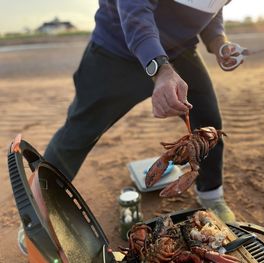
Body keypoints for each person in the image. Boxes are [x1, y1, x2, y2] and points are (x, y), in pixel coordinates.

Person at [19, 0, 246, 255]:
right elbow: (134, 10)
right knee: (79, 132)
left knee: (208, 126)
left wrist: (219, 43)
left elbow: (210, 11)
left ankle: (211, 195)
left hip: (180, 52)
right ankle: (37, 216)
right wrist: (160, 70)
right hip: (116, 49)